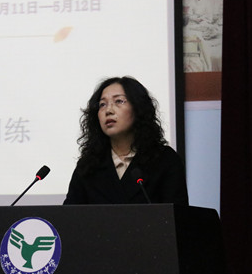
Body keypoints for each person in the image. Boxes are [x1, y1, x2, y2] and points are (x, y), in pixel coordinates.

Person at [63, 76, 189, 205]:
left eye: (119, 101)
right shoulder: (88, 166)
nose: (108, 110)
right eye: (102, 104)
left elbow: (178, 214)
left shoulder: (165, 160)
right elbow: (69, 215)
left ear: (138, 108)